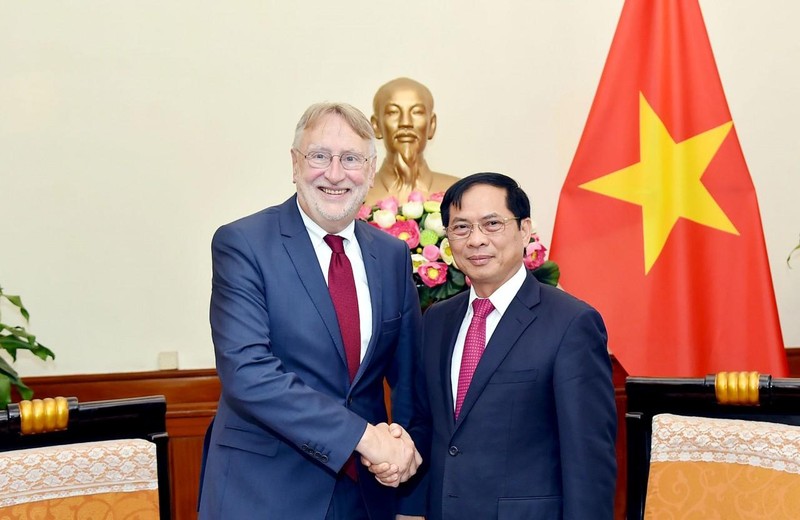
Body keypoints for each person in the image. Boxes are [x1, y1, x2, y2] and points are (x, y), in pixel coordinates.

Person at [198, 102, 424, 520]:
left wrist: (408, 485)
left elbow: (409, 381)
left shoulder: (392, 255)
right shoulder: (243, 244)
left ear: (371, 170)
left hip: (367, 495)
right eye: (320, 156)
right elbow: (248, 373)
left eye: (351, 159)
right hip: (264, 492)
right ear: (295, 163)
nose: (335, 174)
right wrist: (363, 438)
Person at [386, 172, 617, 519]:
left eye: (492, 224)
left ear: (524, 230)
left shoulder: (571, 323)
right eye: (461, 228)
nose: (476, 240)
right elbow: (430, 424)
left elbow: (589, 461)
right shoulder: (437, 319)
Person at [365, 77, 460, 206]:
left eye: (417, 112)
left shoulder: (458, 192)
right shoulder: (358, 195)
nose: (405, 123)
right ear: (376, 126)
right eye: (393, 112)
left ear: (431, 125)